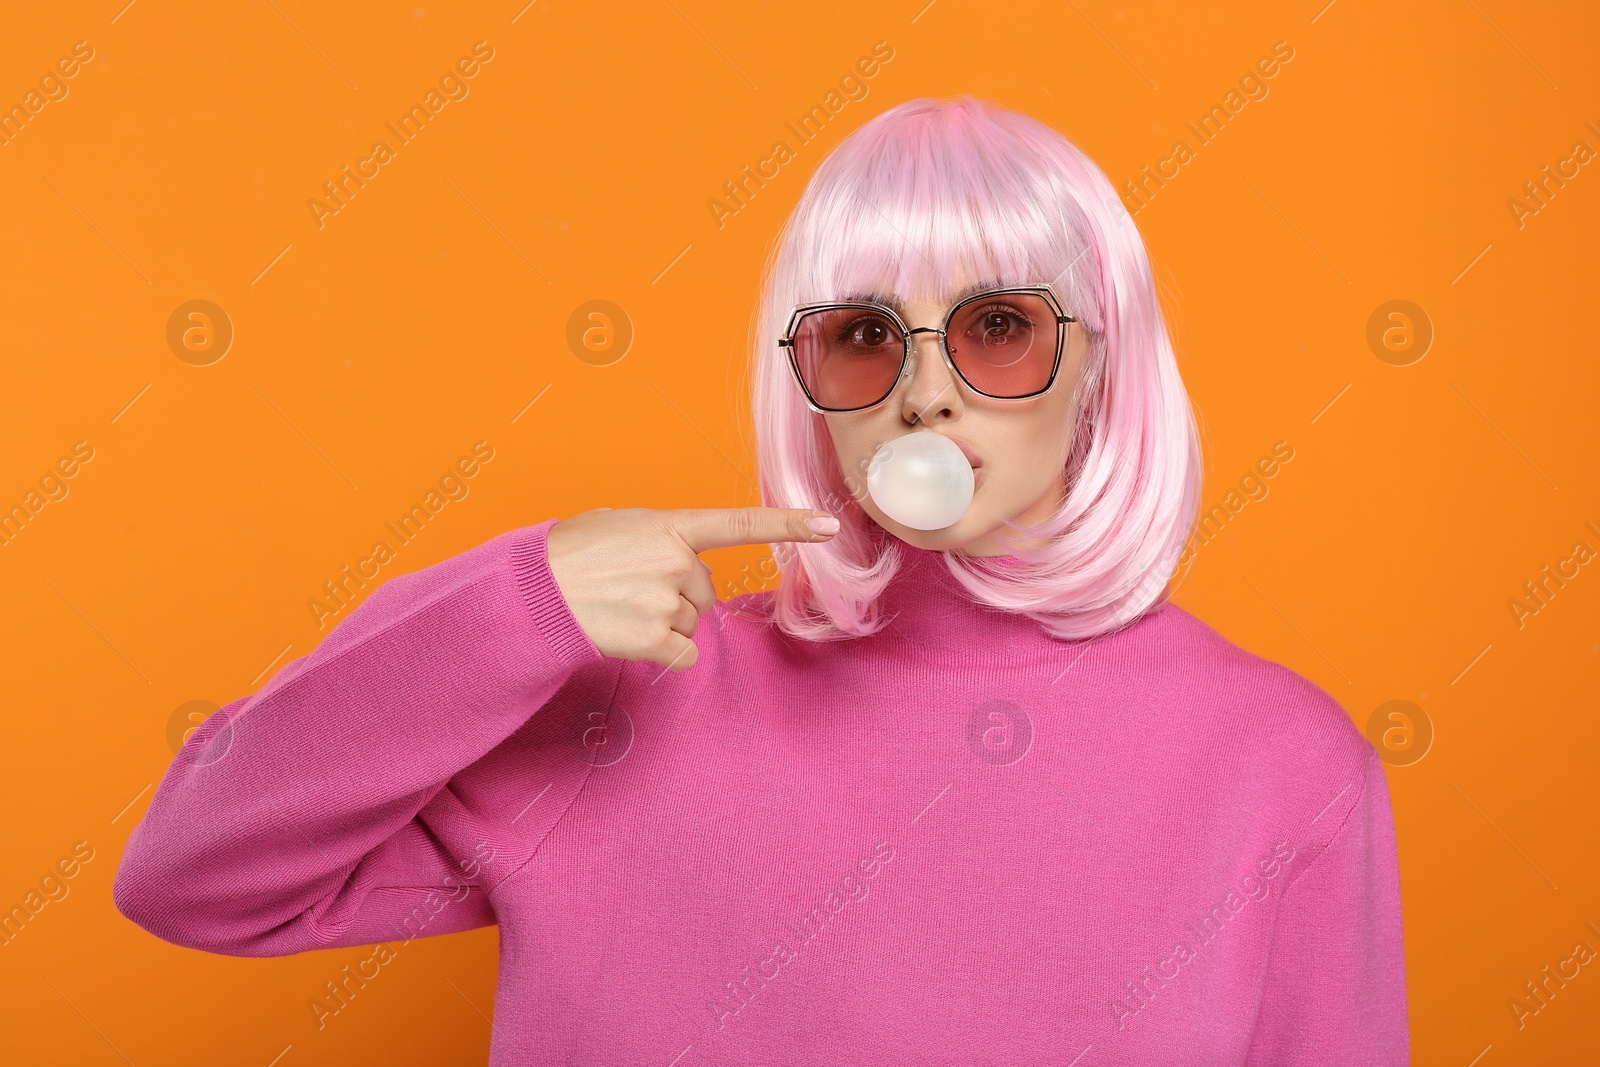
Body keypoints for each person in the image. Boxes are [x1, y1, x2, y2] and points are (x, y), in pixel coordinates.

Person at [114, 95, 1408, 1065]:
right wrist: (509, 605)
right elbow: (193, 875)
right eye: (862, 336)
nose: (926, 390)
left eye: (998, 325)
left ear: (1102, 366)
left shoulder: (1279, 764)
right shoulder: (639, 699)